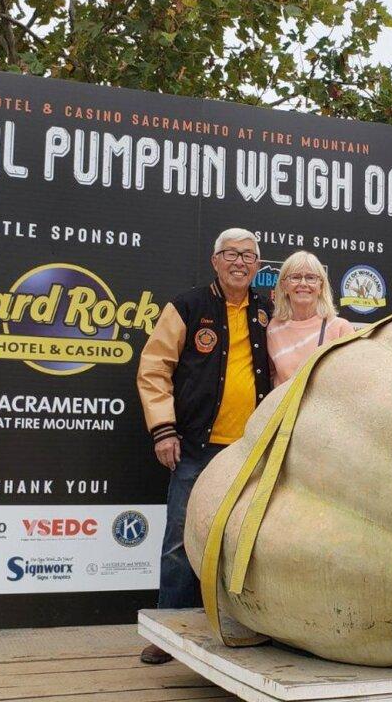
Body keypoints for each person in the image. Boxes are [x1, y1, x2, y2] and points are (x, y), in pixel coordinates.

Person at [136, 228, 272, 664]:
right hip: (195, 447)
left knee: (245, 541)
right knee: (180, 543)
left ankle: (244, 627)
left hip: (250, 451)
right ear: (215, 261)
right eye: (231, 254)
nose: (239, 262)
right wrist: (163, 429)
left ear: (257, 266)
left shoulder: (268, 311)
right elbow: (154, 368)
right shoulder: (187, 306)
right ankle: (168, 634)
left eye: (248, 256)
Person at [267, 251, 354, 386]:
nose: (303, 283)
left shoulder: (340, 329)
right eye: (295, 277)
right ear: (284, 286)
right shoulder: (274, 328)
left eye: (310, 277)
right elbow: (270, 377)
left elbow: (352, 379)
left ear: (321, 286)